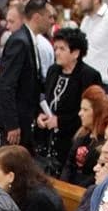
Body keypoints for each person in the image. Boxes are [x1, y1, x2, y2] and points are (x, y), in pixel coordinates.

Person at [37, 27, 103, 175]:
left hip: (72, 139)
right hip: (48, 139)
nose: (57, 52)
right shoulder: (53, 70)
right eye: (56, 48)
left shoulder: (89, 76)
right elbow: (46, 99)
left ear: (76, 53)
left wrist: (60, 121)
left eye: (62, 48)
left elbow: (90, 113)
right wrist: (41, 115)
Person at [0, 0, 48, 146]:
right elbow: (6, 85)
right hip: (14, 121)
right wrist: (12, 124)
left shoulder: (29, 39)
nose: (51, 21)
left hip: (23, 116)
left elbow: (31, 81)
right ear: (37, 17)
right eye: (49, 17)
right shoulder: (20, 41)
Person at [59, 84, 108, 185]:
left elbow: (94, 175)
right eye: (81, 109)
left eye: (85, 110)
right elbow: (69, 164)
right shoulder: (81, 135)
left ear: (97, 113)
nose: (80, 113)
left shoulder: (106, 142)